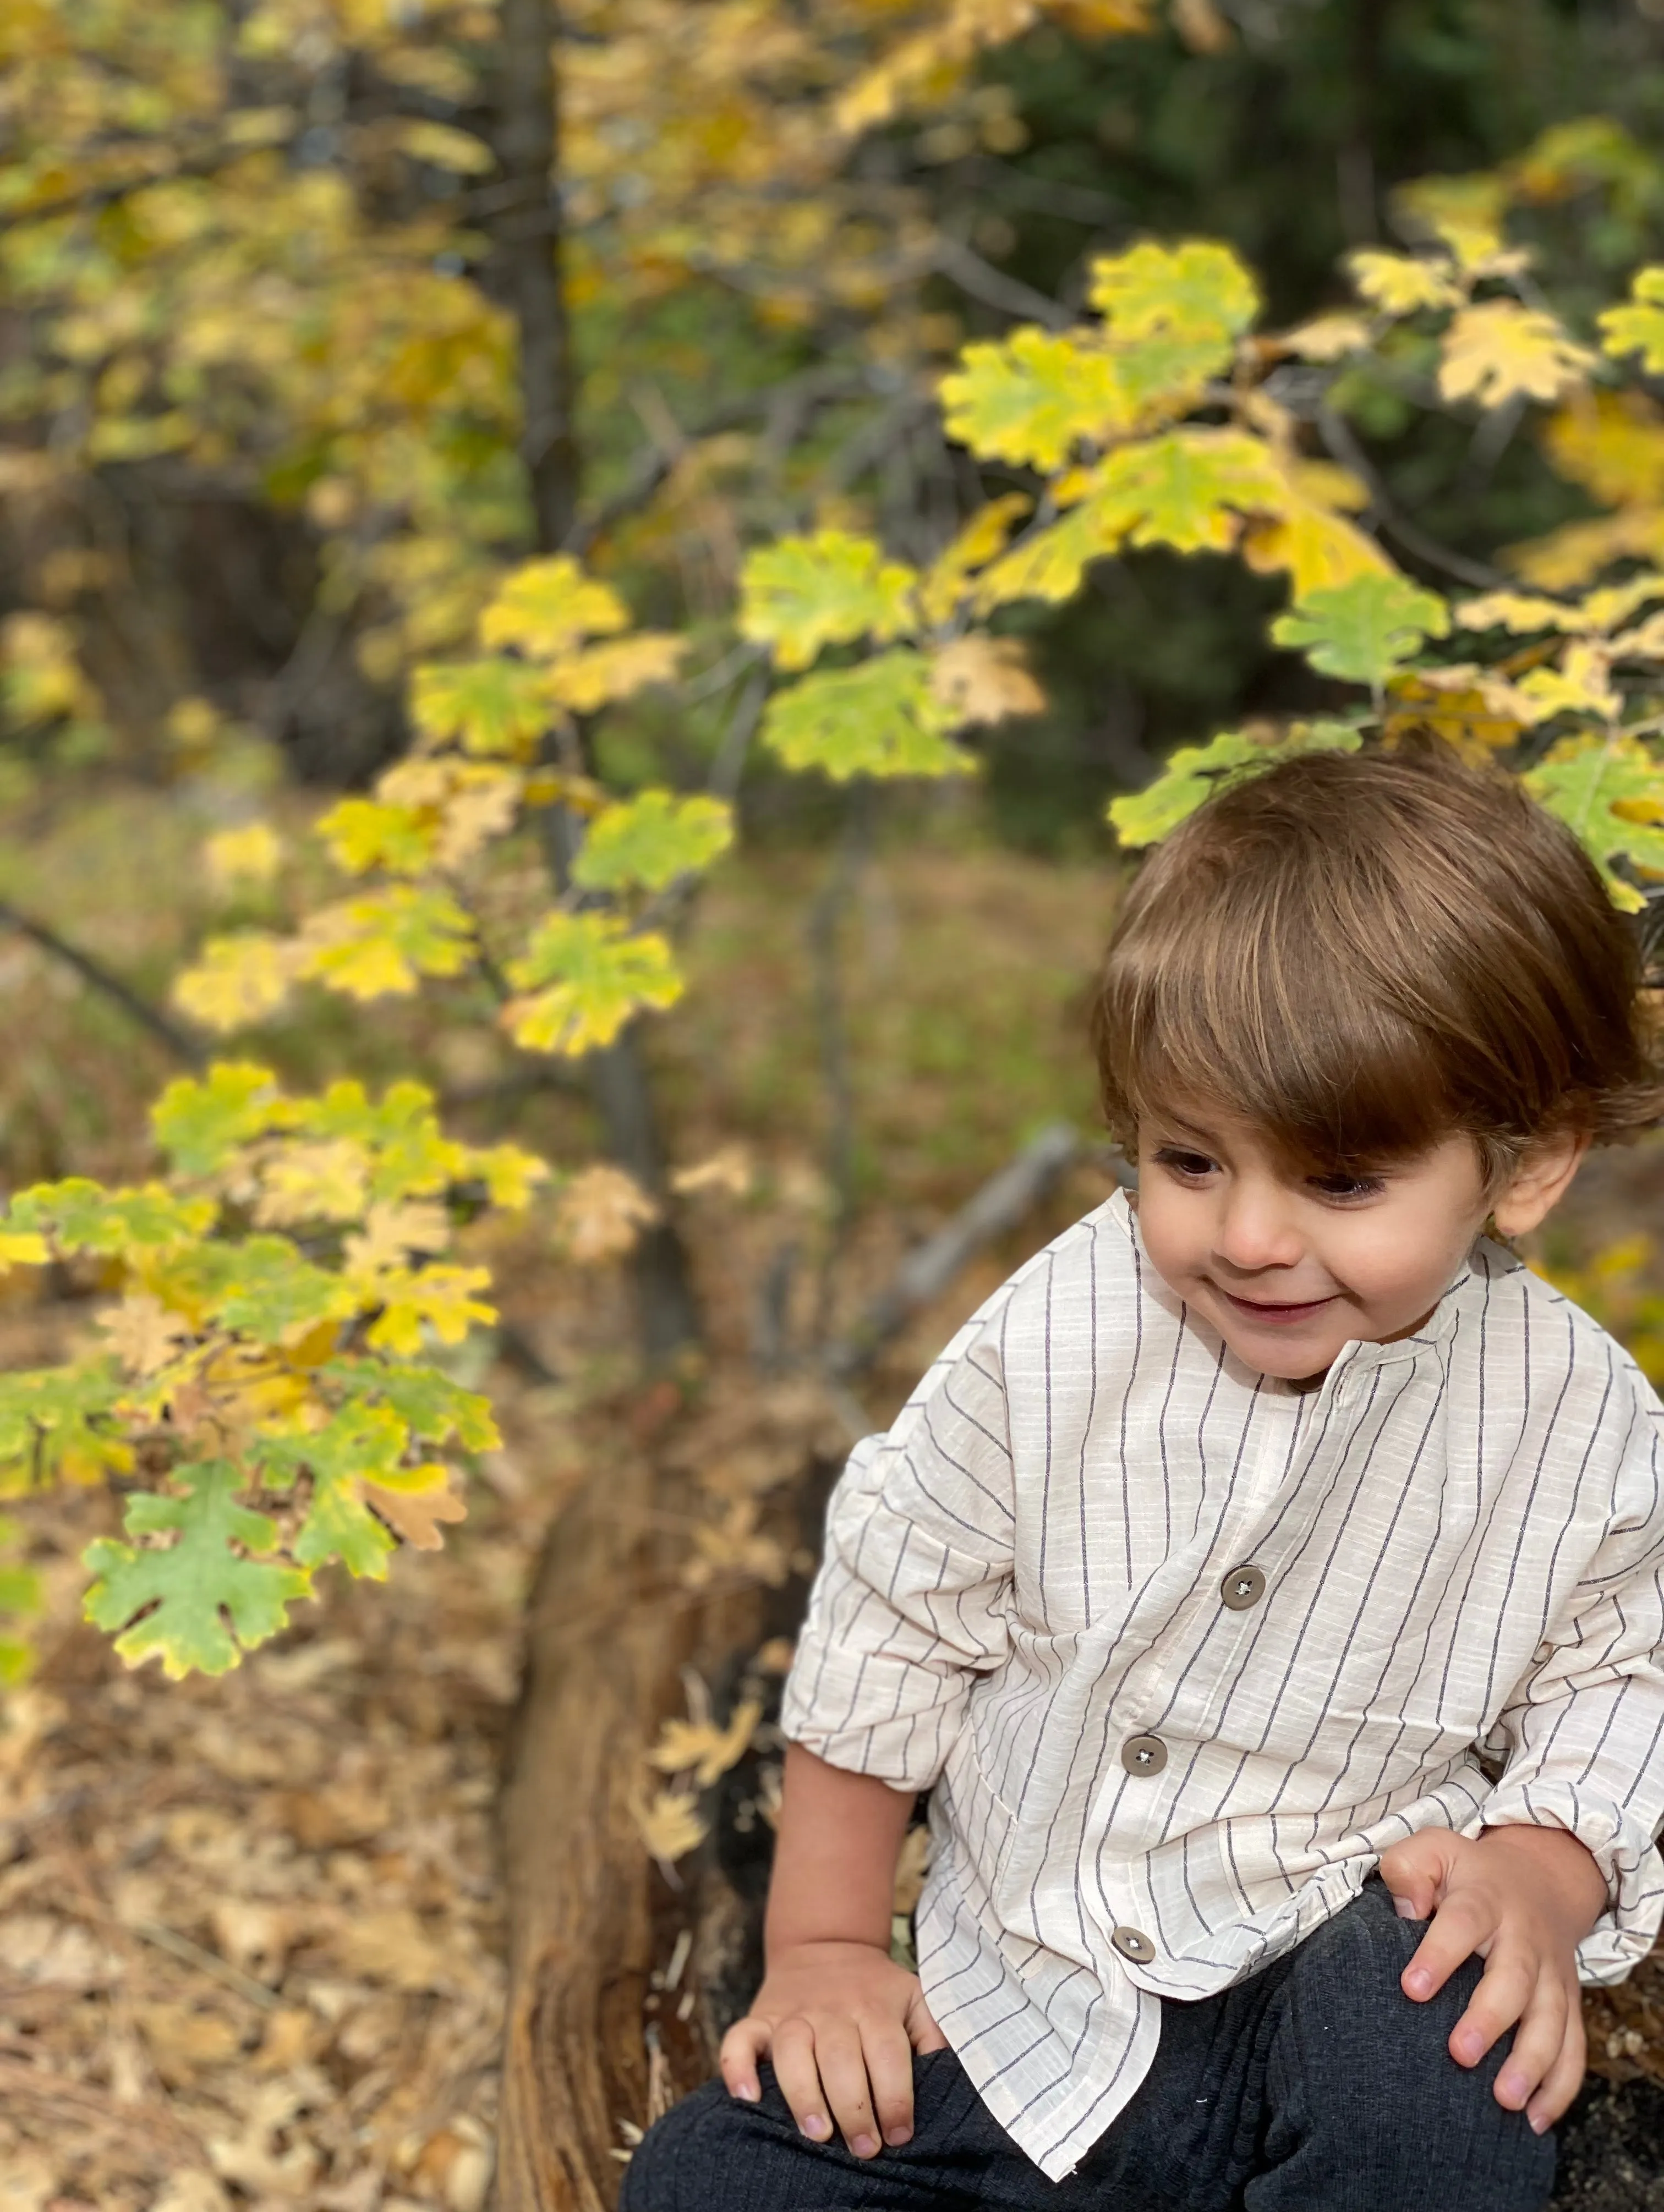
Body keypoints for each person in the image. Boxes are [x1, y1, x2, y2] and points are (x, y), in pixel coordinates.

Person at [623, 743, 1664, 2211]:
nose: (1247, 1236)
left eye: (1341, 1181)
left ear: (1526, 1162)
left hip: (1321, 1983)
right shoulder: (1058, 1335)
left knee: (1448, 2046)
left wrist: (1544, 1881)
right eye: (1188, 1160)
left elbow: (1618, 1679)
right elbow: (895, 1623)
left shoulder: (1580, 1417)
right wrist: (828, 1952)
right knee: (707, 2179)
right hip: (1019, 2026)